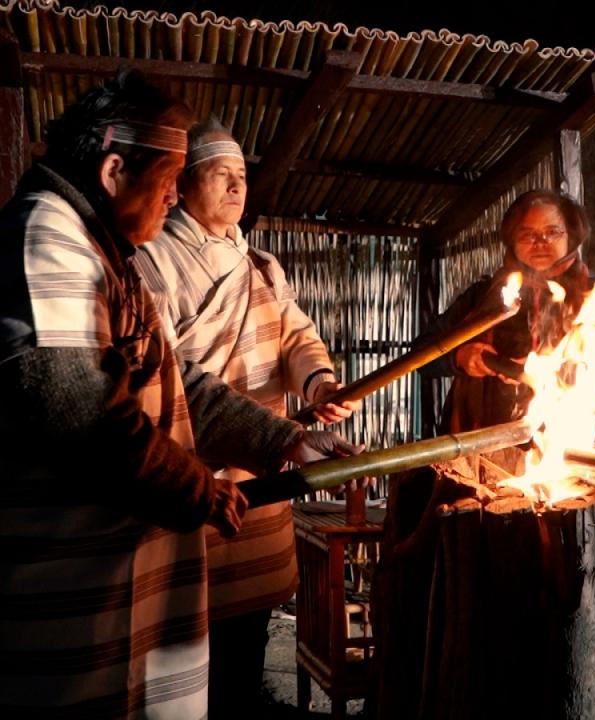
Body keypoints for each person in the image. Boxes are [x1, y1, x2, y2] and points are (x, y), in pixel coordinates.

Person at [0, 71, 359, 718]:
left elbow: (174, 379)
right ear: (114, 171)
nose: (170, 199)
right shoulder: (49, 241)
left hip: (132, 562)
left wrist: (284, 437)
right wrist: (200, 486)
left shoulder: (102, 248)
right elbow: (81, 415)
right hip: (71, 596)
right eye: (169, 181)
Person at [133, 116, 359, 717]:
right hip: (189, 470)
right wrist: (278, 435)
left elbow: (294, 333)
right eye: (220, 174)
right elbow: (165, 375)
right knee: (181, 637)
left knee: (248, 634)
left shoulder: (261, 265)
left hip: (265, 475)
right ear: (181, 186)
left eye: (241, 176)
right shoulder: (151, 260)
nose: (237, 187)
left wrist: (320, 382)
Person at [419, 189, 594, 434]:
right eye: (527, 234)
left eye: (552, 232)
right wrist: (459, 357)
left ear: (572, 236)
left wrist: (546, 369)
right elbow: (421, 355)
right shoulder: (484, 295)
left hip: (566, 447)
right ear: (511, 240)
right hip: (478, 446)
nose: (540, 243)